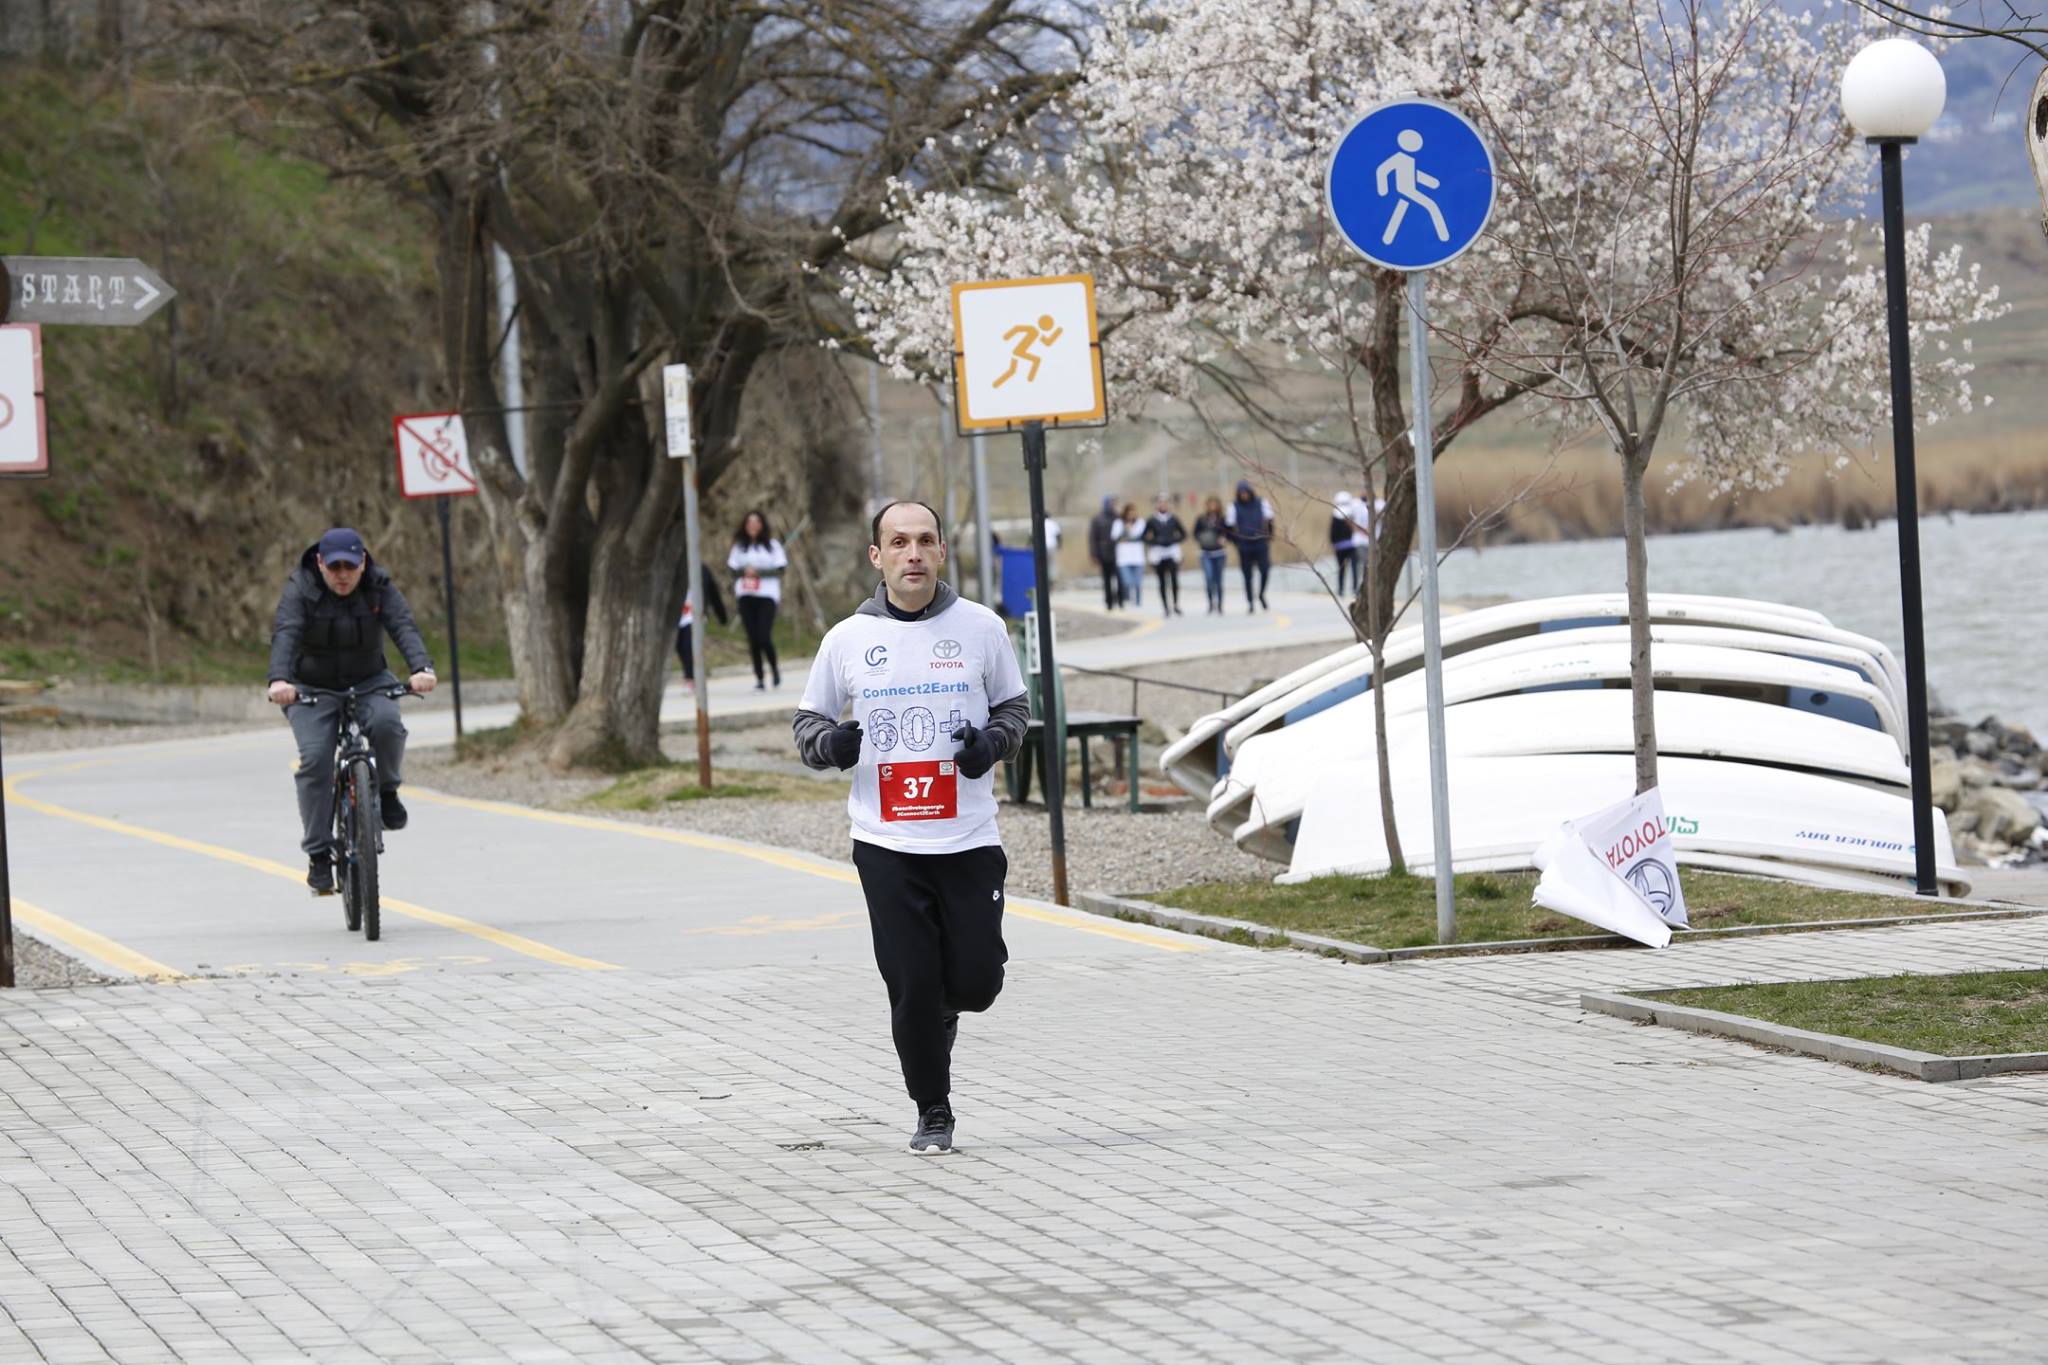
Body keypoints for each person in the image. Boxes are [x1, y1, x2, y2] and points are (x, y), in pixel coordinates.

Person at [791, 500, 1029, 1154]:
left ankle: (948, 1009)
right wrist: (830, 746)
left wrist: (991, 745)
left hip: (968, 838)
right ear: (878, 556)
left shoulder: (981, 628)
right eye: (898, 542)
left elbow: (1014, 709)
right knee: (912, 985)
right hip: (886, 842)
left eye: (925, 540)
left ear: (943, 551)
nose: (913, 553)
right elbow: (808, 723)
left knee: (977, 982)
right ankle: (933, 1108)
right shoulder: (846, 639)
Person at [266, 528, 436, 895]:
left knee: (388, 724)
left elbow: (402, 625)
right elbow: (286, 632)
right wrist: (279, 680)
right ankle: (318, 854)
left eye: (350, 566)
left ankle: (387, 791)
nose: (342, 575)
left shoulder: (378, 585)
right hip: (311, 688)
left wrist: (421, 668)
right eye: (334, 567)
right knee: (315, 759)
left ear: (363, 563)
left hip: (369, 680)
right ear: (319, 563)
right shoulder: (301, 589)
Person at [728, 510, 788, 690]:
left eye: (756, 522)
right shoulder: (740, 547)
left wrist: (759, 572)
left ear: (762, 525)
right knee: (753, 638)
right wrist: (744, 571)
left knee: (763, 635)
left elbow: (780, 569)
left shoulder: (772, 546)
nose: (753, 526)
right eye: (750, 522)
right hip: (746, 595)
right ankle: (760, 678)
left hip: (766, 595)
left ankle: (774, 668)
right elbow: (732, 569)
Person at [1224, 479, 1276, 611]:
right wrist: (1236, 542)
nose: (1244, 495)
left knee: (1265, 569)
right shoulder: (1233, 506)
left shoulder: (1261, 502)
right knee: (1247, 575)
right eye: (1241, 493)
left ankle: (1261, 594)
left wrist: (1270, 536)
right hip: (1244, 545)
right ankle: (1250, 602)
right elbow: (1228, 526)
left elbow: (1270, 519)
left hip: (1260, 543)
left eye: (1245, 492)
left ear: (1250, 492)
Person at [676, 565, 728, 690]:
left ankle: (690, 678)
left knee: (688, 646)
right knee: (680, 647)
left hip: (694, 614)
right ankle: (691, 673)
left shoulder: (701, 569)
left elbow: (713, 592)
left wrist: (721, 615)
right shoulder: (671, 568)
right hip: (677, 614)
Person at [1143, 497, 1187, 617]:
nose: (1163, 505)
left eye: (1165, 503)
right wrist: (1155, 541)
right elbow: (1144, 536)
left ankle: (1175, 604)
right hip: (1159, 552)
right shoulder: (1152, 520)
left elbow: (1183, 534)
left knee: (1174, 579)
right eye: (1160, 503)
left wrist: (1173, 540)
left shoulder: (1173, 519)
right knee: (1162, 581)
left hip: (1171, 551)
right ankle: (1166, 607)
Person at [1193, 495, 1230, 614]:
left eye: (1215, 504)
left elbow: (1229, 532)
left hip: (1219, 553)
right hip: (1205, 553)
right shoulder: (1201, 519)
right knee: (1209, 578)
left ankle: (1220, 605)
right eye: (1210, 504)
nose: (1212, 506)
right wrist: (1202, 538)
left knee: (1218, 580)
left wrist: (1224, 538)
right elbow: (1195, 533)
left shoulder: (1223, 520)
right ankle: (1210, 603)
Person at [1087, 495, 1122, 609]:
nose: (1112, 505)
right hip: (1103, 553)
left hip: (1118, 553)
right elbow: (1092, 537)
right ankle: (1109, 601)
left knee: (1120, 578)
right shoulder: (1097, 519)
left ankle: (1119, 598)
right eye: (1111, 503)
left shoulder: (1118, 517)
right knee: (1107, 579)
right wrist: (1093, 553)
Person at [1112, 502, 1147, 609]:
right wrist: (1125, 530)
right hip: (1124, 557)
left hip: (1137, 556)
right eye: (1129, 512)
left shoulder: (1140, 522)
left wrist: (1129, 534)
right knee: (1126, 581)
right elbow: (1114, 536)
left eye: (1133, 512)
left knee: (1137, 582)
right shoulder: (1118, 523)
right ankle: (1126, 597)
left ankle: (1138, 601)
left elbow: (1140, 535)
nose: (1131, 515)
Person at [1330, 491, 1362, 596]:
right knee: (1354, 568)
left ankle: (1341, 590)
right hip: (1351, 546)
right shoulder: (1352, 515)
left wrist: (1333, 544)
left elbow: (1332, 533)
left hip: (1340, 547)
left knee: (1342, 569)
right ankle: (1354, 589)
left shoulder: (1335, 516)